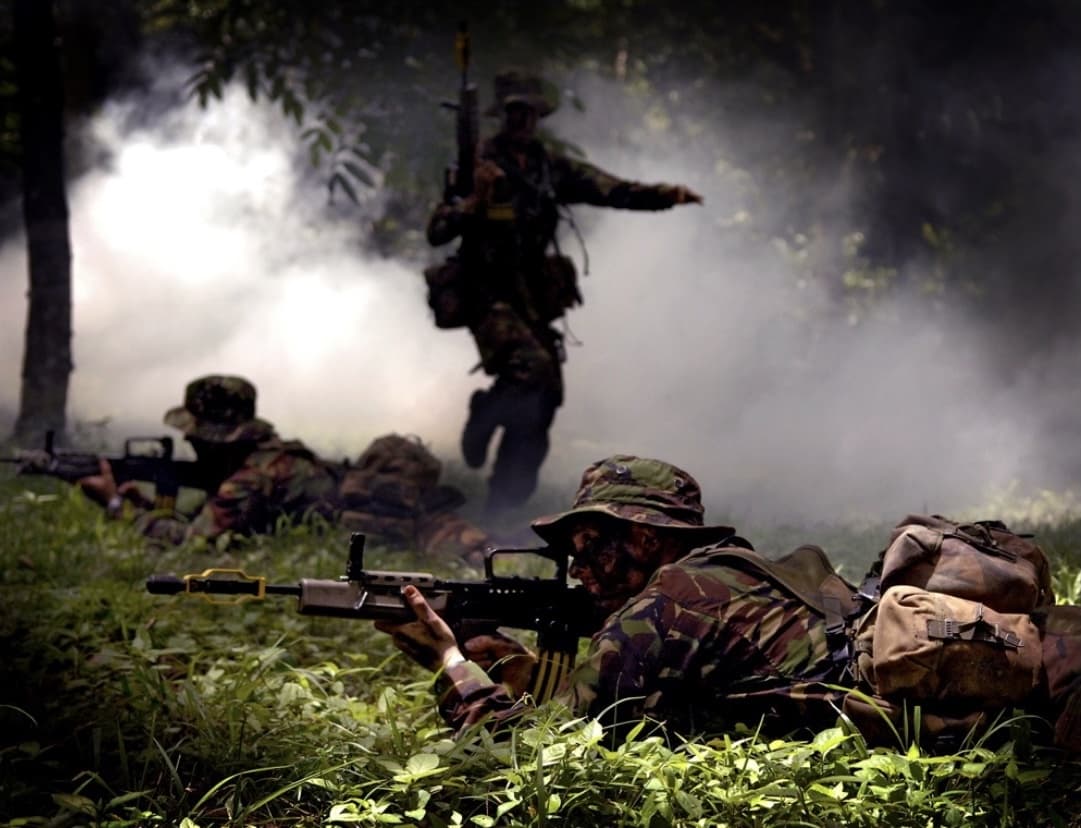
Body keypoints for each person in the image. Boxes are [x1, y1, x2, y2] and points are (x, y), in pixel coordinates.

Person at [375, 454, 853, 739]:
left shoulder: (670, 601)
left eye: (589, 547)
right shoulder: (734, 574)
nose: (579, 570)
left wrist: (452, 664)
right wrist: (508, 663)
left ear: (646, 539)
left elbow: (523, 751)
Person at [426, 71, 704, 515]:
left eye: (529, 112)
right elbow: (438, 230)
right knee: (530, 370)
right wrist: (472, 203)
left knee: (544, 399)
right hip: (486, 293)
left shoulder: (548, 167)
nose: (522, 120)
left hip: (531, 297)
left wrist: (666, 196)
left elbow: (609, 189)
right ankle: (484, 415)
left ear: (537, 117)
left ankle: (505, 502)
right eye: (514, 111)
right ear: (503, 115)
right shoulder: (477, 163)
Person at [78, 375, 489, 560]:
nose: (189, 441)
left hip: (393, 530)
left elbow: (196, 544)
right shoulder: (268, 458)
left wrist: (118, 506)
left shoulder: (250, 478)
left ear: (214, 436)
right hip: (383, 518)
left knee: (488, 555)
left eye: (195, 434)